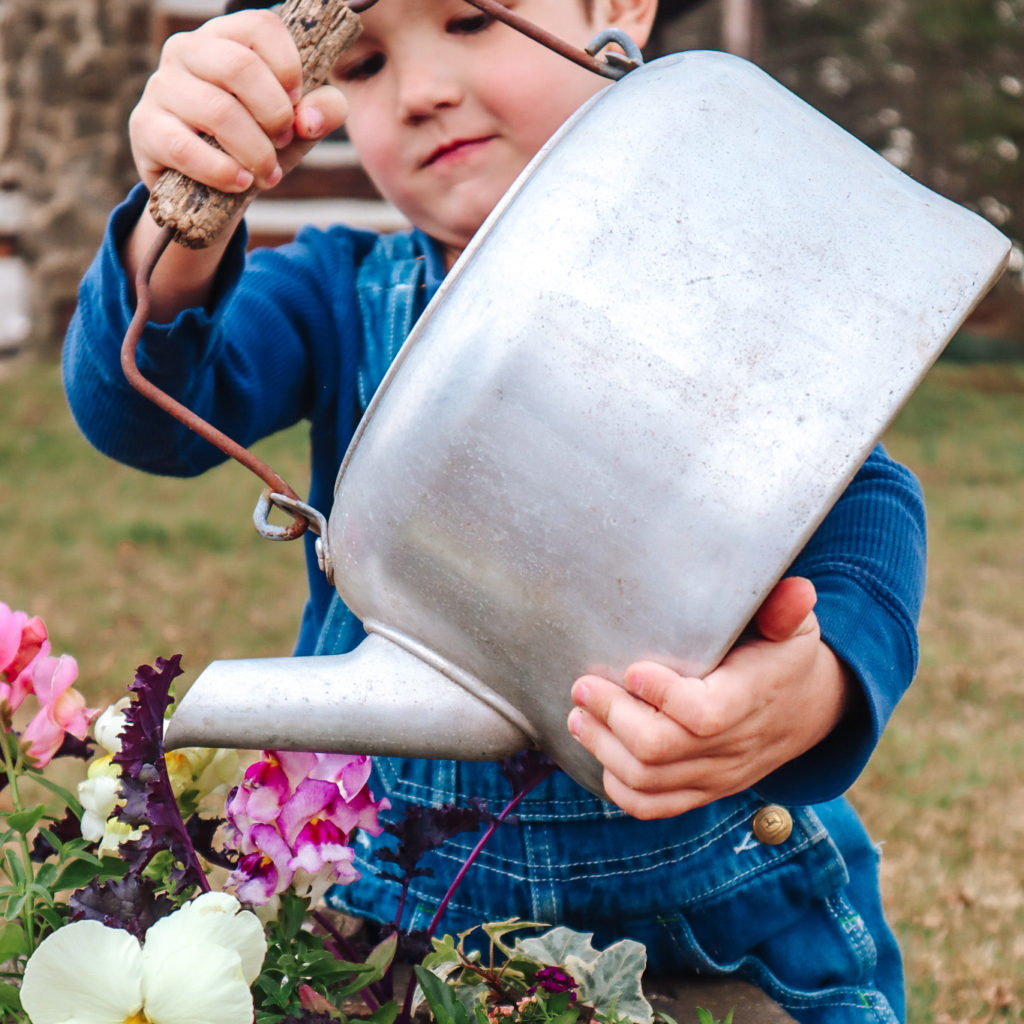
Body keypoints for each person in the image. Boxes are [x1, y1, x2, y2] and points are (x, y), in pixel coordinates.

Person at [62, 2, 926, 1021]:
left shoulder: (721, 288)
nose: (420, 90)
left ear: (615, 12)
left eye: (471, 20)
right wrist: (181, 213)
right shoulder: (336, 293)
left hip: (714, 931)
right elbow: (147, 414)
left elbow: (867, 495)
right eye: (368, 60)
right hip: (396, 925)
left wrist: (816, 688)